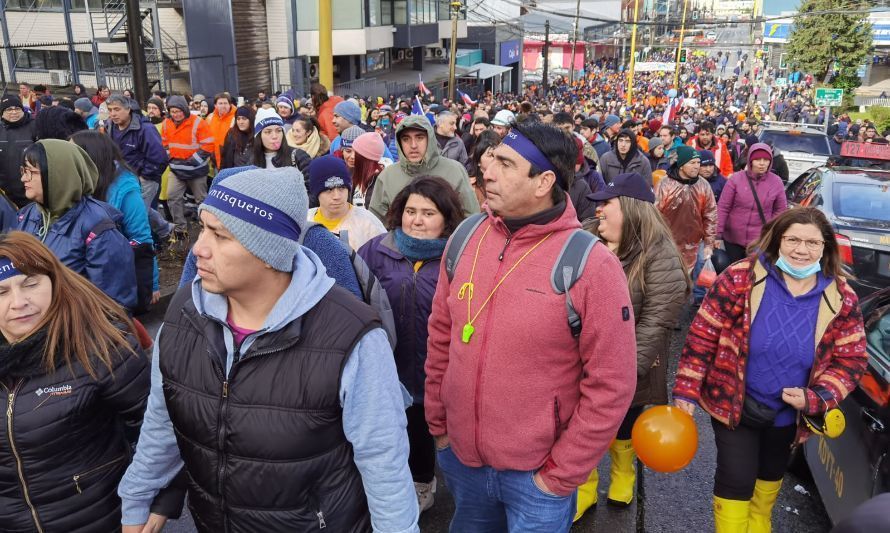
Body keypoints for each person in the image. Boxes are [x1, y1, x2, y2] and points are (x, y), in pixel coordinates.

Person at [118, 166, 419, 533]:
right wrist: (136, 499)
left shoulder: (351, 336)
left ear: (268, 251)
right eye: (202, 229)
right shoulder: (183, 316)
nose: (199, 248)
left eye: (220, 235)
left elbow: (384, 466)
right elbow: (162, 425)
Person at [424, 121, 637, 531]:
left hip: (538, 477)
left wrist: (560, 474)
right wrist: (439, 426)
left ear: (543, 182)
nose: (488, 170)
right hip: (462, 460)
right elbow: (441, 337)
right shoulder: (466, 237)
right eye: (492, 159)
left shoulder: (591, 265)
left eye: (505, 163)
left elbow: (612, 384)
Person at [673, 207, 868, 533]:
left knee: (769, 478)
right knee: (736, 479)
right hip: (733, 403)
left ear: (826, 247)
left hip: (789, 417)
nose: (802, 250)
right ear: (776, 240)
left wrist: (818, 397)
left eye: (812, 243)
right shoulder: (739, 279)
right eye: (793, 239)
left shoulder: (841, 297)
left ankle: (760, 522)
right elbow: (702, 336)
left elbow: (852, 359)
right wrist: (685, 390)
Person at [0, 232, 184, 532]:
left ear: (53, 281)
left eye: (31, 284)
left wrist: (161, 500)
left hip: (101, 519)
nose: (19, 302)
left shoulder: (99, 347)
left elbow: (159, 426)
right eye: (1, 292)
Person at [575, 172, 690, 519]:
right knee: (580, 423)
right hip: (581, 356)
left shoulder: (659, 254)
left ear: (629, 209)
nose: (599, 212)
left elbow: (655, 322)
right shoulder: (586, 238)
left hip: (630, 364)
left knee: (623, 421)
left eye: (606, 204)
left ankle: (623, 473)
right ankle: (585, 485)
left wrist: (622, 372)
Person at [357, 176, 464, 513]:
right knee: (389, 427)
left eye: (428, 213)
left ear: (446, 219)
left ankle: (423, 481)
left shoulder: (458, 257)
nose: (417, 220)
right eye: (411, 211)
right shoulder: (376, 251)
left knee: (425, 427)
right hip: (390, 363)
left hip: (439, 366)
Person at [16, 139, 137, 310]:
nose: (23, 178)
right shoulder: (27, 215)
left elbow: (113, 305)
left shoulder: (98, 228)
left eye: (31, 172)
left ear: (58, 176)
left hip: (73, 331)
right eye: (23, 170)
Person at [70, 130, 160, 310]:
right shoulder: (77, 182)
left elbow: (141, 237)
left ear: (90, 156)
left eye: (73, 152)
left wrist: (152, 283)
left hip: (118, 275)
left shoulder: (124, 190)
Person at [368, 115, 480, 220]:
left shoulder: (455, 171)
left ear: (430, 139)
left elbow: (471, 218)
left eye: (419, 138)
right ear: (399, 142)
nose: (413, 145)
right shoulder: (387, 176)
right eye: (406, 139)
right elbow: (376, 223)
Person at [105, 94, 171, 242]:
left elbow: (159, 158)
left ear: (128, 109)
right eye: (110, 110)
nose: (113, 114)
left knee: (137, 212)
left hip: (145, 178)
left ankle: (145, 244)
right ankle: (166, 230)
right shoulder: (110, 126)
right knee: (141, 209)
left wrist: (144, 176)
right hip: (123, 178)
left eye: (117, 109)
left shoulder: (145, 129)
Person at [717, 143, 787, 263]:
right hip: (733, 238)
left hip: (760, 240)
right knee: (733, 272)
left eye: (766, 160)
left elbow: (780, 210)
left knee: (754, 274)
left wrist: (771, 231)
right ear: (750, 160)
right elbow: (723, 207)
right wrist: (717, 234)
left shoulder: (776, 182)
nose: (762, 163)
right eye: (758, 159)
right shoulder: (736, 179)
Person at [655, 145, 717, 272]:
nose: (696, 166)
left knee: (698, 286)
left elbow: (710, 215)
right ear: (681, 165)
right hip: (668, 244)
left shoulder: (703, 185)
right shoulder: (665, 184)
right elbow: (654, 214)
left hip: (696, 244)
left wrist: (709, 244)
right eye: (692, 163)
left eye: (698, 162)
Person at [161, 95, 215, 238]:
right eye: (173, 111)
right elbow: (165, 143)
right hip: (176, 170)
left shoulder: (198, 123)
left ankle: (207, 227)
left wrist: (192, 161)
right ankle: (180, 229)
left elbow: (209, 144)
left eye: (178, 111)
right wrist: (170, 157)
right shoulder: (166, 123)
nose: (176, 114)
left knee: (202, 200)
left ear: (185, 110)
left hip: (196, 171)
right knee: (172, 197)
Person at [306, 155, 385, 249]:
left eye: (342, 188)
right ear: (316, 192)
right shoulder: (305, 222)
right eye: (329, 190)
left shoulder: (368, 224)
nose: (337, 196)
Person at [0, 95, 36, 207]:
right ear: (2, 112)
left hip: (29, 193)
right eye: (9, 109)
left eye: (17, 108)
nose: (14, 112)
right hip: (5, 195)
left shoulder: (34, 126)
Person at [252, 108, 311, 172]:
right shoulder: (252, 161)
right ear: (259, 136)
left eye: (279, 131)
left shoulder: (299, 156)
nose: (274, 136)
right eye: (268, 132)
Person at [351, 131, 387, 208]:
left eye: (356, 153)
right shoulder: (354, 175)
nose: (352, 156)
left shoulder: (383, 181)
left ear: (364, 157)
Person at [205, 92, 236, 169]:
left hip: (232, 160)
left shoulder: (236, 117)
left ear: (230, 104)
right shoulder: (210, 117)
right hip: (214, 159)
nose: (223, 106)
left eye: (225, 103)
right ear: (215, 105)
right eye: (220, 103)